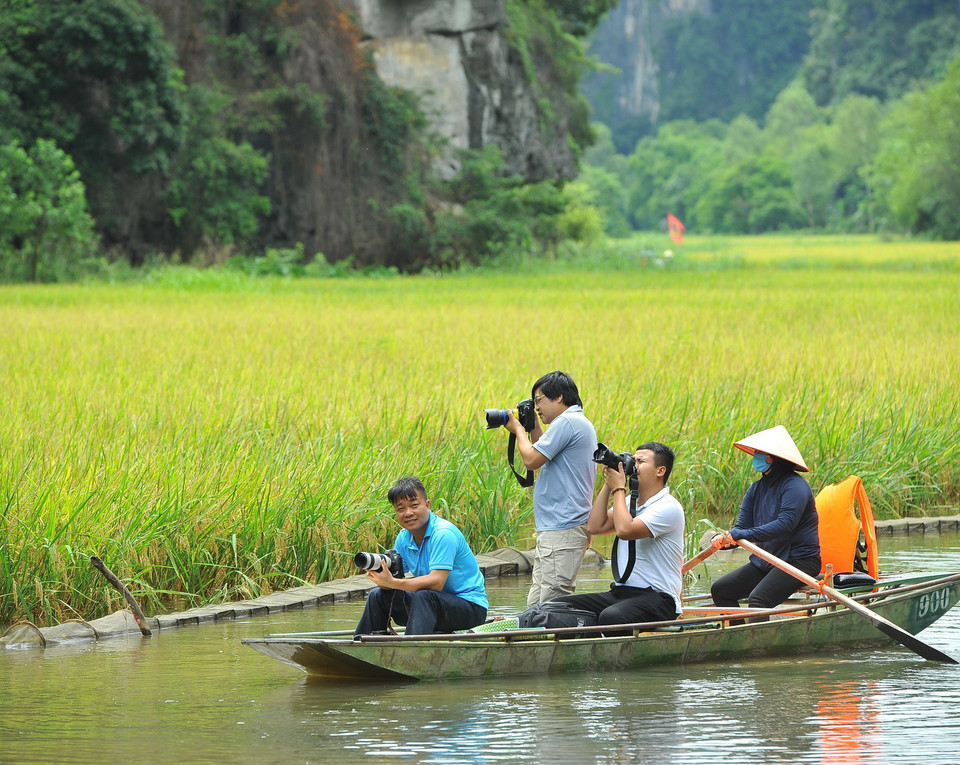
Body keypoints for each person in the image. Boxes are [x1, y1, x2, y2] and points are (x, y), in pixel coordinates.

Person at [548, 442, 685, 628]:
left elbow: (625, 531)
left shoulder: (668, 506)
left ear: (660, 470)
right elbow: (595, 526)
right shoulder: (630, 502)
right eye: (633, 459)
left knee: (611, 617)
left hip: (659, 598)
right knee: (555, 607)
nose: (634, 465)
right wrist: (609, 483)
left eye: (640, 461)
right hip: (622, 594)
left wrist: (619, 489)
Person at [504, 370, 597, 605]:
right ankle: (535, 639)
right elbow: (543, 450)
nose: (536, 406)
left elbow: (531, 460)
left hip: (563, 528)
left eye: (539, 400)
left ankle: (553, 641)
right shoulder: (573, 422)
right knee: (537, 603)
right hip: (558, 528)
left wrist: (518, 430)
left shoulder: (567, 421)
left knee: (552, 603)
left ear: (559, 398)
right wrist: (533, 427)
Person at [354, 476, 488, 637]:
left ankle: (411, 650)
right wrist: (383, 579)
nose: (408, 513)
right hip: (431, 607)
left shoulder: (443, 534)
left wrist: (393, 582)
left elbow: (436, 583)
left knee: (424, 596)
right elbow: (396, 581)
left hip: (470, 609)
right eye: (401, 509)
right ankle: (365, 644)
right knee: (378, 595)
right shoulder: (404, 538)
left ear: (427, 505)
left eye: (414, 505)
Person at [710, 425, 821, 613]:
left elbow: (786, 524)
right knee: (721, 590)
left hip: (799, 560)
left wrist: (740, 534)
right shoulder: (756, 489)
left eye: (762, 453)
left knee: (759, 599)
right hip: (767, 559)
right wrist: (728, 540)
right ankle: (738, 635)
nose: (757, 457)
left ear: (774, 458)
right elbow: (742, 527)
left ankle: (759, 643)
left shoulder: (795, 486)